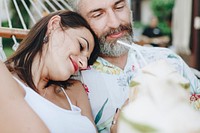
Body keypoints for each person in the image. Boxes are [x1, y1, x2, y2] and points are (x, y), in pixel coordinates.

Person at [66, 0, 200, 133]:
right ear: (79, 22)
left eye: (119, 7)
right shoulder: (71, 81)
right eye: (98, 15)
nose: (115, 23)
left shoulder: (168, 60)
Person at [0, 10, 100, 133]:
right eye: (80, 46)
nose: (83, 64)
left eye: (87, 60)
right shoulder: (6, 82)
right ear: (54, 25)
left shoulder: (75, 91)